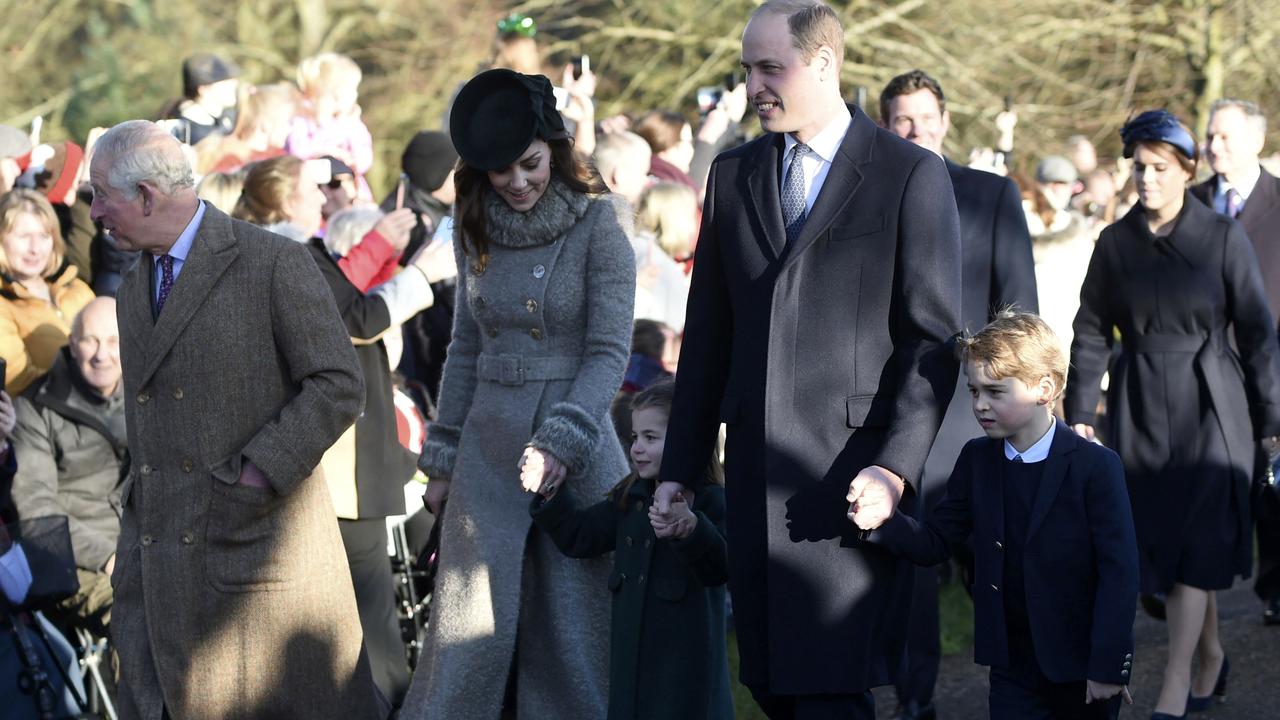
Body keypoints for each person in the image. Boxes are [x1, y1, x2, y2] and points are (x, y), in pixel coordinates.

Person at [653, 2, 962, 717]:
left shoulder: (909, 175)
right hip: (758, 481)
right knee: (770, 687)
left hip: (848, 479)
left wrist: (894, 467)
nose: (755, 85)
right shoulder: (733, 175)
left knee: (830, 693)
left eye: (771, 67)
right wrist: (681, 471)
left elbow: (931, 341)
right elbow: (708, 338)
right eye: (748, 70)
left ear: (823, 63)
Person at [88, 120, 380, 719]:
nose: (93, 211)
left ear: (145, 195)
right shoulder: (132, 287)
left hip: (258, 561)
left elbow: (337, 383)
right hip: (162, 563)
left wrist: (259, 474)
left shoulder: (272, 261)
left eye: (101, 195)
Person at [400, 68, 635, 720]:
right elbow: (467, 348)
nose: (518, 181)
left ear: (554, 149)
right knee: (470, 634)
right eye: (501, 171)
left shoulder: (600, 223)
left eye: (529, 163)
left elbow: (608, 351)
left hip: (578, 445)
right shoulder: (470, 224)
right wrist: (443, 456)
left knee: (573, 632)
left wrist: (563, 439)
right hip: (488, 448)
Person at [1065, 110, 1280, 719]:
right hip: (1137, 408)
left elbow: (1260, 334)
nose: (1148, 179)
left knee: (1195, 543)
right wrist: (1082, 412)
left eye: (1160, 168)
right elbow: (1088, 330)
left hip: (1213, 405)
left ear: (1187, 169)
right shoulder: (1115, 242)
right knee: (1164, 547)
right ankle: (1211, 655)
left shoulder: (1221, 237)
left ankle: (1177, 681)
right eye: (1139, 167)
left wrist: (1273, 421)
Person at [233, 154, 452, 706]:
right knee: (368, 623)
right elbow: (356, 320)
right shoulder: (283, 255)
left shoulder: (273, 254)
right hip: (335, 464)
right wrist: (423, 272)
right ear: (285, 202)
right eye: (315, 188)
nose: (326, 197)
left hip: (334, 461)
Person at [858, 311, 1138, 720]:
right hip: (1012, 667)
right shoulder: (977, 460)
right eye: (973, 391)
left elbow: (1120, 573)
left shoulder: (1096, 467)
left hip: (1082, 667)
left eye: (995, 392)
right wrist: (885, 519)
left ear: (1045, 388)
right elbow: (936, 541)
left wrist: (1109, 666)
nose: (979, 405)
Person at [878, 68, 1039, 720]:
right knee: (914, 570)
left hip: (982, 411)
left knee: (1003, 560)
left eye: (924, 118)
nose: (914, 131)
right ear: (885, 127)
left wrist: (1013, 402)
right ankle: (916, 700)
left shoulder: (991, 196)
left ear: (946, 121)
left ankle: (1028, 680)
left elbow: (1019, 305)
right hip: (903, 410)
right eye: (901, 121)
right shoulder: (869, 202)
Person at [529, 378, 731, 720]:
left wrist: (692, 528)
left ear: (689, 438)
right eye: (635, 437)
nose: (636, 448)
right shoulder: (631, 497)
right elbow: (581, 536)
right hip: (631, 663)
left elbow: (721, 568)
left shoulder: (713, 500)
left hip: (685, 668)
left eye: (650, 438)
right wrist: (549, 491)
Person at [1190, 98, 1280, 625]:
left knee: (1271, 486)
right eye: (1209, 136)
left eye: (1225, 136)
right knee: (1208, 483)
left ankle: (1273, 587)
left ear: (1257, 142)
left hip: (1269, 364)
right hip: (1204, 367)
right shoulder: (1191, 202)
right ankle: (1194, 591)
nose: (1213, 146)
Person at [9, 298, 126, 637]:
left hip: (147, 545)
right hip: (77, 561)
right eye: (90, 340)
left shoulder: (148, 393)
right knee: (138, 618)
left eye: (113, 341)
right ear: (73, 345)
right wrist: (107, 556)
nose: (101, 354)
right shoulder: (33, 409)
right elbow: (38, 511)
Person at [0, 189, 95, 395]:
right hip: (47, 418)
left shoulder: (76, 287)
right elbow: (18, 379)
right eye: (23, 236)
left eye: (44, 236)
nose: (35, 248)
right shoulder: (3, 305)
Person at [1024, 155, 1093, 356]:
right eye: (1051, 183)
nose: (1057, 190)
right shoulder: (1023, 218)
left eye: (1063, 184)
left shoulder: (1078, 230)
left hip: (1066, 321)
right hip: (1028, 320)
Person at [286, 52, 375, 201]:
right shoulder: (301, 120)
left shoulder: (352, 124)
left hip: (348, 189)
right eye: (352, 90)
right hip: (312, 190)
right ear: (335, 95)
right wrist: (328, 149)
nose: (355, 95)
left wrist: (351, 159)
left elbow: (364, 160)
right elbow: (297, 152)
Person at [160, 53, 240, 146]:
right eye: (226, 84)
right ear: (204, 89)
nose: (234, 86)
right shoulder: (185, 131)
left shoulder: (228, 116)